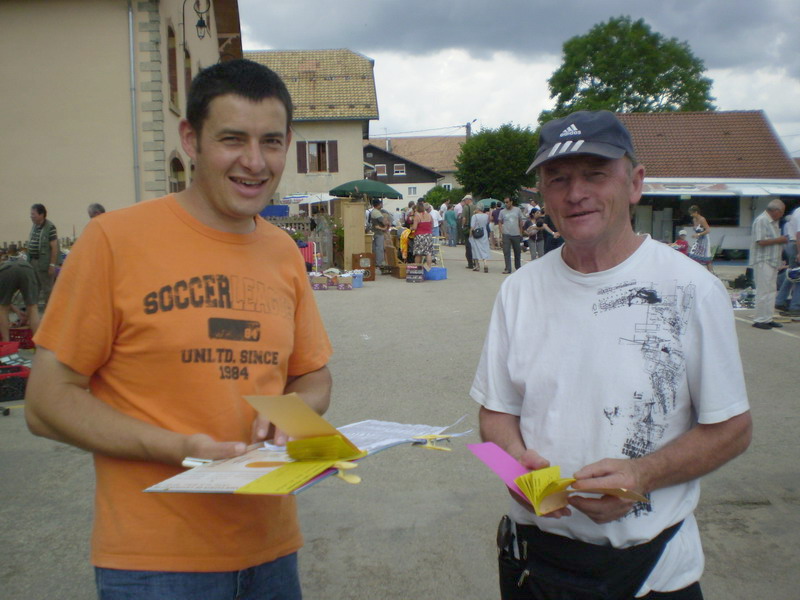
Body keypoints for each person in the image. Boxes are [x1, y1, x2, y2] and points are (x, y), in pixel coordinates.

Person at [25, 59, 333, 600]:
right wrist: (181, 447)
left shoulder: (284, 252)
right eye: (232, 139)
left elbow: (312, 376)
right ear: (191, 138)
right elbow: (46, 402)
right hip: (154, 565)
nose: (254, 163)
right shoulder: (113, 240)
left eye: (272, 142)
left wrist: (290, 419)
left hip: (272, 551)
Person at [473, 110, 751, 599]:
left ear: (635, 182)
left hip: (653, 570)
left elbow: (731, 429)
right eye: (558, 179)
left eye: (595, 174)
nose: (575, 193)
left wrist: (642, 475)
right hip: (535, 562)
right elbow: (495, 414)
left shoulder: (691, 289)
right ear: (543, 194)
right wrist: (514, 466)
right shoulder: (518, 291)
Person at [750, 199, 788, 329]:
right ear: (775, 211)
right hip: (763, 260)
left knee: (771, 290)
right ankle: (760, 319)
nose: (782, 215)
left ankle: (768, 317)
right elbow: (760, 241)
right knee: (763, 290)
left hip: (772, 260)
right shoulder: (762, 220)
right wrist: (780, 240)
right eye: (781, 212)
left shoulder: (774, 221)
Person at [0, 258, 40, 342]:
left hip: (6, 271)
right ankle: (37, 343)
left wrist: (17, 311)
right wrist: (20, 312)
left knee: (2, 309)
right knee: (33, 308)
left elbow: (3, 301)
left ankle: (6, 342)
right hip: (26, 268)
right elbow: (33, 302)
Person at [27, 203, 59, 307]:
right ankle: (33, 313)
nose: (31, 216)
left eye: (33, 214)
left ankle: (49, 313)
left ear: (41, 214)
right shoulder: (34, 226)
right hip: (33, 262)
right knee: (34, 288)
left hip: (44, 264)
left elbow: (54, 247)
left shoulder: (50, 227)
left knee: (47, 289)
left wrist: (52, 265)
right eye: (31, 214)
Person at [775, 204, 800, 315]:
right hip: (796, 245)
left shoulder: (797, 211)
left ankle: (780, 300)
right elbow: (799, 234)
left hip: (794, 244)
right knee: (798, 276)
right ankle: (795, 306)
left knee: (792, 274)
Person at [499, 197, 524, 274]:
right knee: (506, 251)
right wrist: (501, 232)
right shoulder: (502, 212)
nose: (506, 204)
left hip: (516, 234)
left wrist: (521, 232)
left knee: (517, 251)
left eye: (507, 202)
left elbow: (520, 221)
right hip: (506, 234)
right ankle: (507, 268)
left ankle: (518, 267)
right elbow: (500, 222)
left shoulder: (517, 210)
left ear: (511, 202)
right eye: (505, 202)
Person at [687, 205, 713, 271]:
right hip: (699, 239)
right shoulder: (694, 219)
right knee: (693, 254)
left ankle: (711, 273)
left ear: (696, 212)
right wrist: (696, 234)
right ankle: (695, 271)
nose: (691, 215)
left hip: (705, 239)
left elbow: (708, 230)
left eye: (692, 213)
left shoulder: (702, 219)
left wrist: (699, 234)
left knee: (706, 256)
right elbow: (696, 229)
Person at [411, 201, 434, 270]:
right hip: (428, 235)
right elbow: (432, 226)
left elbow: (415, 227)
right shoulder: (429, 215)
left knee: (418, 254)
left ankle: (417, 269)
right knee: (428, 253)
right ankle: (428, 269)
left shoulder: (417, 216)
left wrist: (411, 228)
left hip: (420, 236)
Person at [469, 203, 491, 273]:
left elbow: (472, 227)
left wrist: (470, 235)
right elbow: (487, 223)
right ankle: (485, 263)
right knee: (484, 248)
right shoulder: (486, 216)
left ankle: (477, 265)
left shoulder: (474, 216)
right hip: (484, 232)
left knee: (475, 249)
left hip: (476, 233)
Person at [369, 198, 388, 267]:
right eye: (380, 203)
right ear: (378, 204)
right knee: (379, 248)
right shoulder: (376, 212)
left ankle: (375, 262)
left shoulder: (373, 211)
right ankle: (379, 263)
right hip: (378, 232)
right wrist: (386, 222)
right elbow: (383, 221)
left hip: (374, 231)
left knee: (375, 248)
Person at [460, 195, 476, 268]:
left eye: (465, 200)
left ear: (468, 200)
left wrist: (462, 226)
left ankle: (470, 263)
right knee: (474, 246)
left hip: (468, 228)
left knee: (468, 246)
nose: (464, 201)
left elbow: (464, 218)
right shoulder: (476, 207)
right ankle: (476, 262)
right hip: (475, 228)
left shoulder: (466, 207)